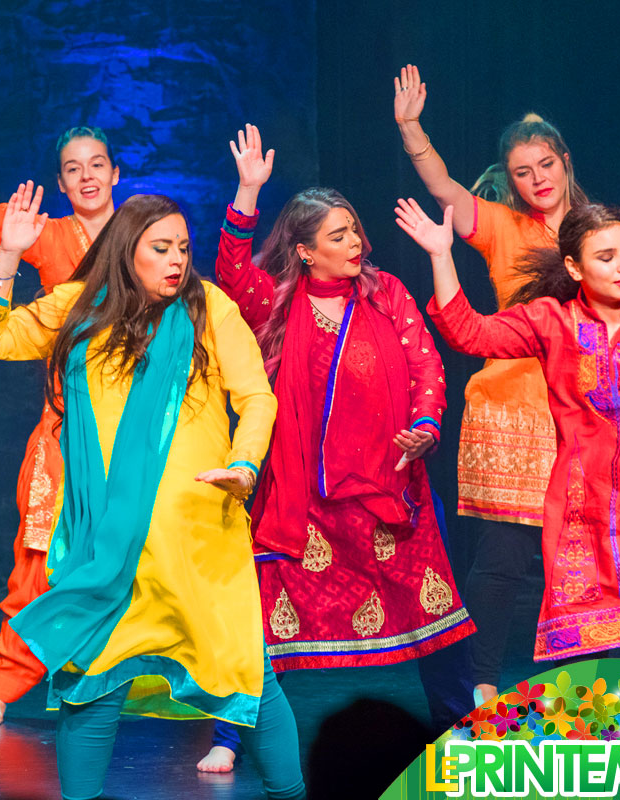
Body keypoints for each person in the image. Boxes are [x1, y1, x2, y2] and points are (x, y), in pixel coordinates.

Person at [0, 182, 305, 800]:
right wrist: (9, 256)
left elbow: (257, 397)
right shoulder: (80, 307)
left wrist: (245, 464)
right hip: (109, 544)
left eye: (182, 247)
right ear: (127, 252)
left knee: (247, 679)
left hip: (197, 535)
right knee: (90, 684)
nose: (176, 260)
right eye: (160, 248)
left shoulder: (210, 308)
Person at [198, 123, 475, 773]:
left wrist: (427, 426)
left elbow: (427, 369)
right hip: (306, 498)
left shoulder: (386, 295)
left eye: (355, 231)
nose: (356, 244)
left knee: (434, 613)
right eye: (339, 235)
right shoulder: (277, 303)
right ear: (303, 251)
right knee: (266, 621)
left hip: (390, 489)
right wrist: (246, 192)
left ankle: (460, 726)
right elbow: (232, 271)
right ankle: (232, 735)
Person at [394, 64, 620, 703]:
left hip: (587, 407)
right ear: (510, 180)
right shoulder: (502, 227)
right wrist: (410, 128)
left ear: (564, 161)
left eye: (544, 165)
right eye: (522, 172)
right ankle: (482, 683)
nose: (536, 180)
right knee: (503, 558)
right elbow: (446, 190)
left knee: (593, 550)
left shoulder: (605, 235)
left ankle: (603, 678)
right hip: (510, 406)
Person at [396, 197, 620, 691]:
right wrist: (442, 255)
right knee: (598, 652)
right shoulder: (552, 321)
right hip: (588, 508)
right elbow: (468, 332)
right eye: (606, 257)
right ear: (574, 266)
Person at [0, 48, 119, 724]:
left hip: (139, 432)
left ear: (116, 172)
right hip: (68, 429)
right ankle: (5, 687)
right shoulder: (48, 236)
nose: (86, 176)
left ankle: (192, 692)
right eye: (74, 169)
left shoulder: (150, 237)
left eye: (97, 164)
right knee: (36, 557)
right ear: (62, 184)